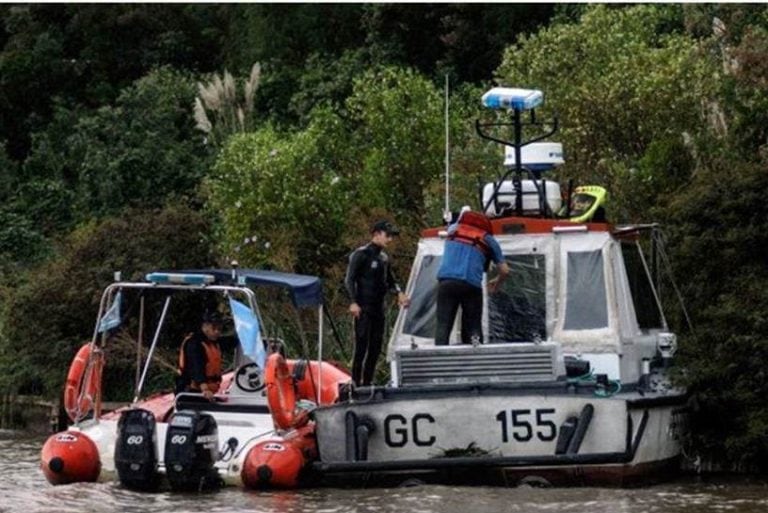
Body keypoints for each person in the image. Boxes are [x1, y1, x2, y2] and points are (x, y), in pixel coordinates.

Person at [345, 220, 410, 386]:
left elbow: (390, 280)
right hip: (363, 307)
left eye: (391, 236)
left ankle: (367, 382)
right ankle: (355, 383)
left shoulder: (383, 257)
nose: (390, 239)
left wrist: (399, 292)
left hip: (378, 308)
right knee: (361, 346)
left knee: (375, 346)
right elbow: (349, 279)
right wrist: (353, 302)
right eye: (387, 235)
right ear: (376, 234)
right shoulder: (361, 254)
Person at [435, 209, 510, 346]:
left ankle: (438, 361)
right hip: (470, 285)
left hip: (446, 283)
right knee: (473, 327)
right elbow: (505, 270)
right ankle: (475, 361)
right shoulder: (488, 239)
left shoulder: (452, 229)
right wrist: (497, 283)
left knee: (443, 326)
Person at [176, 310, 236, 400]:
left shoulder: (213, 342)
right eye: (214, 328)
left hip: (207, 392)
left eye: (219, 329)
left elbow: (229, 342)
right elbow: (196, 368)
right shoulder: (194, 344)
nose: (217, 331)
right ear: (205, 326)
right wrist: (205, 389)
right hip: (192, 393)